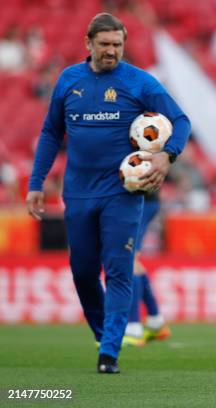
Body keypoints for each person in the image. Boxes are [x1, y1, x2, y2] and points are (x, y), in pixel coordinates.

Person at [26, 13, 191, 374]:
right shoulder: (70, 80)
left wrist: (167, 155)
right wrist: (36, 183)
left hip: (123, 193)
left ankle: (110, 352)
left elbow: (181, 121)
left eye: (117, 45)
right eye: (105, 45)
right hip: (79, 193)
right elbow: (51, 133)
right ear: (88, 44)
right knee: (83, 272)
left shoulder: (139, 82)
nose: (112, 51)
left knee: (117, 270)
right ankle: (105, 336)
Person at [123, 192, 171, 346]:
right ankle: (155, 321)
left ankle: (134, 327)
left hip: (139, 200)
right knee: (133, 262)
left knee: (130, 261)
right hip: (145, 199)